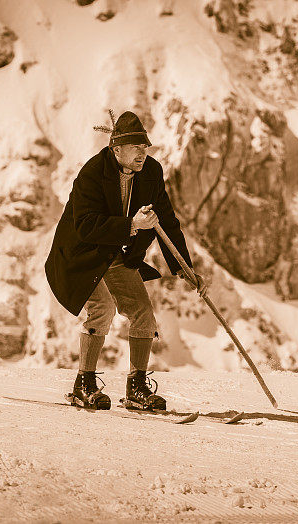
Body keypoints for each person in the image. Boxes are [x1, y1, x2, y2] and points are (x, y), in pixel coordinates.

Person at [44, 110, 208, 411]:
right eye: (135, 148)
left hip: (117, 254)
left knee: (143, 313)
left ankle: (136, 388)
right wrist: (132, 225)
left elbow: (168, 222)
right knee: (102, 308)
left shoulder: (151, 173)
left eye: (145, 147)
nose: (142, 154)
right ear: (115, 149)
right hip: (83, 254)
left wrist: (186, 269)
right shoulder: (92, 174)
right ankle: (84, 384)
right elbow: (86, 225)